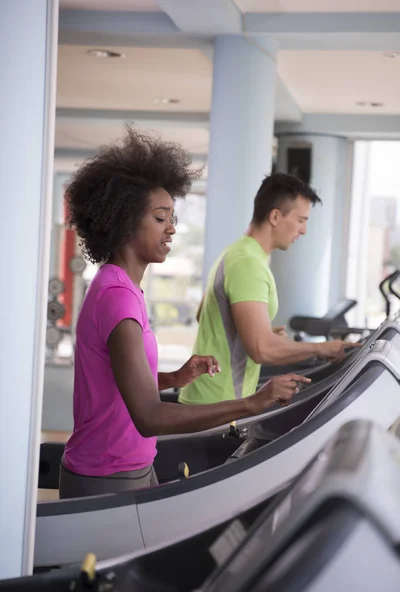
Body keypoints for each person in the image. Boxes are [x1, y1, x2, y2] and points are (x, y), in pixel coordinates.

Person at [59, 127, 309, 499]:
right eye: (161, 218)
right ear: (126, 220)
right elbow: (147, 416)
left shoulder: (122, 287)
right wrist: (250, 403)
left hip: (132, 467)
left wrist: (176, 376)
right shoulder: (117, 296)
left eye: (172, 218)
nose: (172, 229)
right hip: (106, 474)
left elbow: (120, 383)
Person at [179, 173, 360, 406]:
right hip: (219, 404)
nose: (304, 230)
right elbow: (262, 350)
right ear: (275, 216)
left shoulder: (236, 253)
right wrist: (321, 348)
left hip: (209, 399)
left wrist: (254, 330)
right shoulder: (248, 264)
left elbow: (203, 314)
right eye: (301, 220)